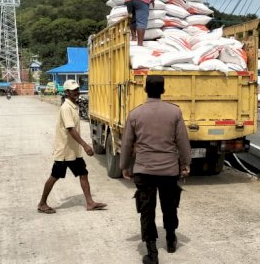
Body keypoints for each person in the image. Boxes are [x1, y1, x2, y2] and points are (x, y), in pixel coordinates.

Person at [120, 75, 191, 264]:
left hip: (144, 170)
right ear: (163, 90)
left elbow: (127, 143)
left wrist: (124, 166)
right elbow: (182, 141)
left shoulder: (135, 114)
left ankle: (152, 253)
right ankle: (170, 240)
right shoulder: (174, 112)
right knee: (169, 206)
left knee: (146, 210)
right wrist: (185, 163)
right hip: (169, 170)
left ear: (145, 90)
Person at [38, 79, 106, 214]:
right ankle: (42, 203)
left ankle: (90, 203)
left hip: (73, 151)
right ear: (67, 92)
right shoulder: (66, 108)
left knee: (83, 174)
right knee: (54, 176)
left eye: (77, 89)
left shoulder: (73, 106)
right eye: (73, 90)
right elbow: (71, 129)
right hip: (64, 152)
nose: (76, 92)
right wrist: (86, 145)